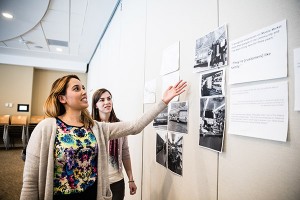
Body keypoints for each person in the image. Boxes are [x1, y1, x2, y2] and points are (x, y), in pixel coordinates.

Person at [20, 74, 186, 200]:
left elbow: (136, 126)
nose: (84, 91)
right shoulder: (46, 128)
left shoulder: (96, 128)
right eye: (76, 89)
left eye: (83, 87)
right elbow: (30, 183)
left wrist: (163, 102)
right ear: (62, 98)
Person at [91, 88, 137, 200]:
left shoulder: (120, 125)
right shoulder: (90, 127)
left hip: (117, 182)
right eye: (102, 100)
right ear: (96, 105)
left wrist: (131, 179)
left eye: (109, 98)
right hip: (96, 183)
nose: (107, 102)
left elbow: (125, 153)